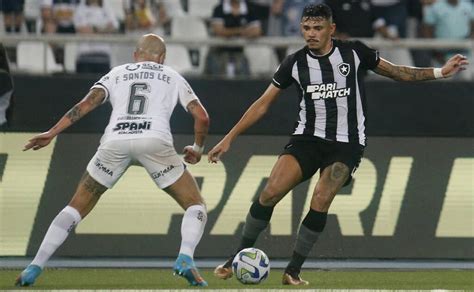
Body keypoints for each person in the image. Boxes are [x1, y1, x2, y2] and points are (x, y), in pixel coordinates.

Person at [208, 3, 469, 286]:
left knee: (320, 198)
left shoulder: (354, 52)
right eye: (306, 28)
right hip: (306, 139)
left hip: (346, 144)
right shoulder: (294, 63)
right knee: (270, 192)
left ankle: (293, 271)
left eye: (317, 28)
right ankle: (236, 257)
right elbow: (262, 105)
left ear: (331, 29)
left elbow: (397, 72)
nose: (311, 34)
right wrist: (228, 138)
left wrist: (440, 72)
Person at [15, 34, 210, 287]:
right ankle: (185, 257)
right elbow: (202, 117)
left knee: (75, 206)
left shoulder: (117, 73)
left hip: (115, 141)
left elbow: (86, 104)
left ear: (135, 55)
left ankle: (35, 266)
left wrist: (53, 132)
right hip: (155, 141)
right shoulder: (172, 76)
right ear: (161, 58)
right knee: (195, 204)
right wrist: (197, 148)